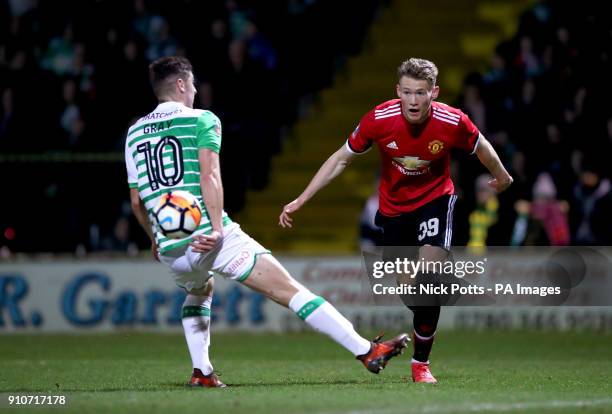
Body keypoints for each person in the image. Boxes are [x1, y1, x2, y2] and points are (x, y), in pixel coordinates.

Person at [125, 56, 408, 388]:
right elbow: (209, 175)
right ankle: (367, 351)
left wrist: (154, 240)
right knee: (289, 290)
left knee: (200, 292)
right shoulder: (202, 120)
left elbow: (136, 201)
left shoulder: (134, 133)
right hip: (208, 234)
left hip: (172, 246)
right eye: (194, 85)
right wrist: (216, 229)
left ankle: (202, 372)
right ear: (181, 85)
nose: (196, 91)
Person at [280, 58, 513, 384]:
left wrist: (501, 177)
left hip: (436, 200)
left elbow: (481, 146)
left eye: (421, 93)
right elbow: (341, 159)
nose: (414, 101)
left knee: (430, 277)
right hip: (394, 212)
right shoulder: (379, 118)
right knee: (412, 293)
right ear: (397, 91)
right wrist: (303, 198)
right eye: (407, 92)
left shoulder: (452, 120)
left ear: (435, 92)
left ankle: (421, 364)